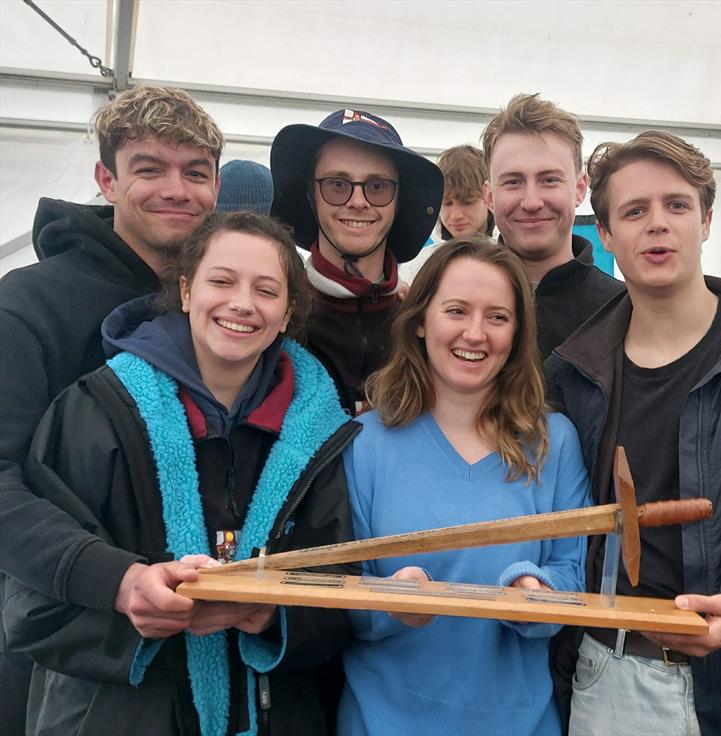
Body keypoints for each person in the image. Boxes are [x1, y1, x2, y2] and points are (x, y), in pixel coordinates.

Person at [4, 212, 360, 736]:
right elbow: (29, 607)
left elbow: (342, 591)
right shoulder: (95, 411)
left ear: (287, 314)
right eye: (221, 281)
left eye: (266, 290)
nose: (241, 303)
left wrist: (274, 616)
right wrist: (127, 597)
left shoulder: (320, 433)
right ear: (187, 290)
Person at [545, 131, 721, 735]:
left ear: (707, 220)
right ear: (604, 235)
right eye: (634, 211)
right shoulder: (572, 376)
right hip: (611, 681)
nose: (657, 225)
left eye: (676, 205)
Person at [0, 85, 223, 735]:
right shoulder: (30, 304)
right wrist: (115, 579)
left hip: (211, 645)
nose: (176, 190)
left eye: (195, 172)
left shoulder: (221, 308)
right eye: (149, 168)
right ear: (107, 179)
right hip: (68, 654)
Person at [338, 236, 591, 735]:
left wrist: (536, 593)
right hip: (381, 721)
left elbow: (573, 574)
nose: (475, 334)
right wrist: (388, 603)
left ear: (518, 333)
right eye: (456, 310)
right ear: (419, 319)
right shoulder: (365, 443)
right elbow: (339, 595)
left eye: (498, 317)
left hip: (521, 722)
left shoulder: (553, 442)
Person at [270, 108, 443, 415]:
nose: (358, 202)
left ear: (399, 201)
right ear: (311, 194)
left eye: (377, 186)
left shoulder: (425, 327)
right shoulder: (273, 319)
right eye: (337, 184)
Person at [481, 93, 625, 360]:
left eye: (549, 180)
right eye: (513, 182)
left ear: (580, 188)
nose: (532, 202)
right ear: (489, 196)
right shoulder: (457, 305)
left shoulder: (623, 311)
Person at [400, 144, 495, 283]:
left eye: (467, 202)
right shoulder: (421, 265)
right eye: (447, 203)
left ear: (489, 197)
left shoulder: (510, 257)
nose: (456, 215)